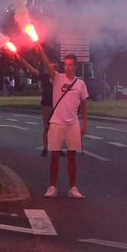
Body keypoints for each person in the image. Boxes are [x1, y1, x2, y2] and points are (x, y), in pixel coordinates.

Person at [42, 53, 89, 199]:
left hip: (72, 124)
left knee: (72, 157)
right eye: (65, 65)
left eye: (70, 65)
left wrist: (84, 124)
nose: (67, 68)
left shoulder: (80, 84)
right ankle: (52, 187)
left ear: (75, 66)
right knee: (54, 156)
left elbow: (85, 105)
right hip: (56, 122)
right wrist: (40, 49)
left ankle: (73, 188)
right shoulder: (57, 78)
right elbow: (47, 65)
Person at [12, 46, 56, 156]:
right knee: (47, 126)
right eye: (52, 67)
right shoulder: (45, 77)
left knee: (58, 128)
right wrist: (21, 59)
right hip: (47, 103)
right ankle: (45, 149)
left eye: (55, 68)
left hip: (58, 104)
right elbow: (32, 70)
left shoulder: (60, 78)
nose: (53, 69)